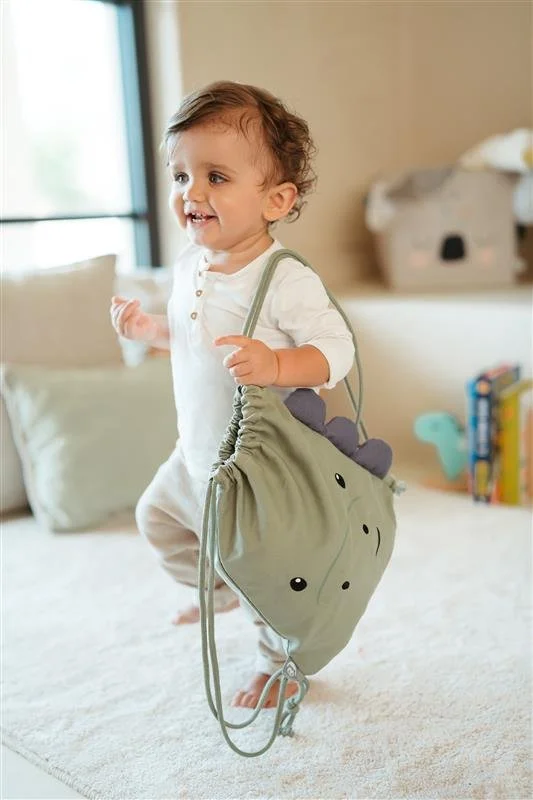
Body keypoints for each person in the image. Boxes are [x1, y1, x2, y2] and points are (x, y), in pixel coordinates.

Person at [110, 81, 355, 709]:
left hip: (253, 470)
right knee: (157, 520)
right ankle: (214, 595)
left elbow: (337, 349)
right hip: (194, 453)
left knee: (263, 573)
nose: (192, 193)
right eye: (181, 174)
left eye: (215, 176)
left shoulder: (283, 278)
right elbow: (198, 339)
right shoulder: (192, 264)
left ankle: (282, 662)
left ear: (275, 200)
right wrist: (150, 331)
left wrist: (276, 362)